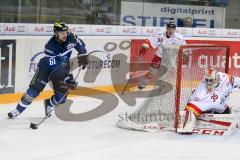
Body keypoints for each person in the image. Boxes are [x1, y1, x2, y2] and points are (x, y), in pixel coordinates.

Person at [8, 21, 89, 118]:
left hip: (63, 68)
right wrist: (68, 78)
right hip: (46, 68)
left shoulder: (71, 37)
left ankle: (49, 104)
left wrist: (82, 54)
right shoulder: (50, 46)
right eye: (62, 33)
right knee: (33, 91)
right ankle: (17, 110)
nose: (65, 35)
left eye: (66, 32)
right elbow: (55, 67)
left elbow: (80, 44)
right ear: (56, 33)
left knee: (61, 98)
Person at [177, 68, 240, 133]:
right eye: (207, 80)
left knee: (225, 110)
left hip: (222, 107)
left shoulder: (226, 79)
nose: (208, 83)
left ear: (217, 79)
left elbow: (237, 81)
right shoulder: (200, 92)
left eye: (211, 80)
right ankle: (205, 113)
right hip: (207, 105)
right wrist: (188, 116)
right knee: (190, 112)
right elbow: (191, 105)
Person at [138, 22, 186, 90]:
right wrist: (146, 45)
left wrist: (185, 53)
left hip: (170, 58)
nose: (170, 30)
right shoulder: (159, 35)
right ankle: (144, 82)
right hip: (159, 56)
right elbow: (148, 41)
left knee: (166, 73)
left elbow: (184, 47)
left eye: (172, 29)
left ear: (175, 30)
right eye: (169, 28)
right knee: (152, 71)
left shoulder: (179, 38)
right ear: (166, 28)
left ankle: (162, 84)